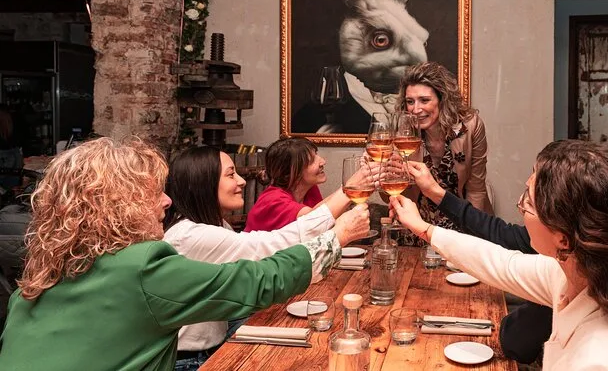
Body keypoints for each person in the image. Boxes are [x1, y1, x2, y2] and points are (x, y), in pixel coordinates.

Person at [0, 137, 360, 371]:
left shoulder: (34, 284)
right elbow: (260, 279)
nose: (167, 200)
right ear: (118, 206)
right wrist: (335, 238)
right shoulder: (143, 267)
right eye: (152, 192)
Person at [391, 140, 608, 370]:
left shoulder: (600, 359)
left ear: (563, 238)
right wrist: (424, 229)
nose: (521, 206)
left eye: (528, 201)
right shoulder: (578, 274)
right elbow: (501, 263)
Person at [162, 146, 370, 369]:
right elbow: (275, 244)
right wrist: (342, 225)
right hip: (189, 361)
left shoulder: (212, 226)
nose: (242, 181)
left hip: (212, 344)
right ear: (203, 183)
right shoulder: (190, 235)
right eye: (231, 175)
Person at [407, 159, 550, 364]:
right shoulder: (572, 256)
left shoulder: (564, 276)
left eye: (528, 204)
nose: (528, 181)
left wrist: (425, 229)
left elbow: (516, 342)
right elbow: (499, 238)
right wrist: (434, 193)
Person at [395, 62, 492, 246]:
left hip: (462, 225)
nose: (416, 109)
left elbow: (476, 189)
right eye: (410, 101)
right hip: (417, 229)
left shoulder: (471, 127)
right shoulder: (402, 133)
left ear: (442, 99)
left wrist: (472, 240)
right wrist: (386, 175)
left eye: (424, 100)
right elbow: (393, 194)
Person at [245, 137, 364, 232]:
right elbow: (313, 222)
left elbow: (325, 222)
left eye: (316, 154)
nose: (323, 161)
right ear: (291, 173)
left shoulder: (309, 188)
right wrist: (351, 187)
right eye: (312, 160)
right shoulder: (272, 200)